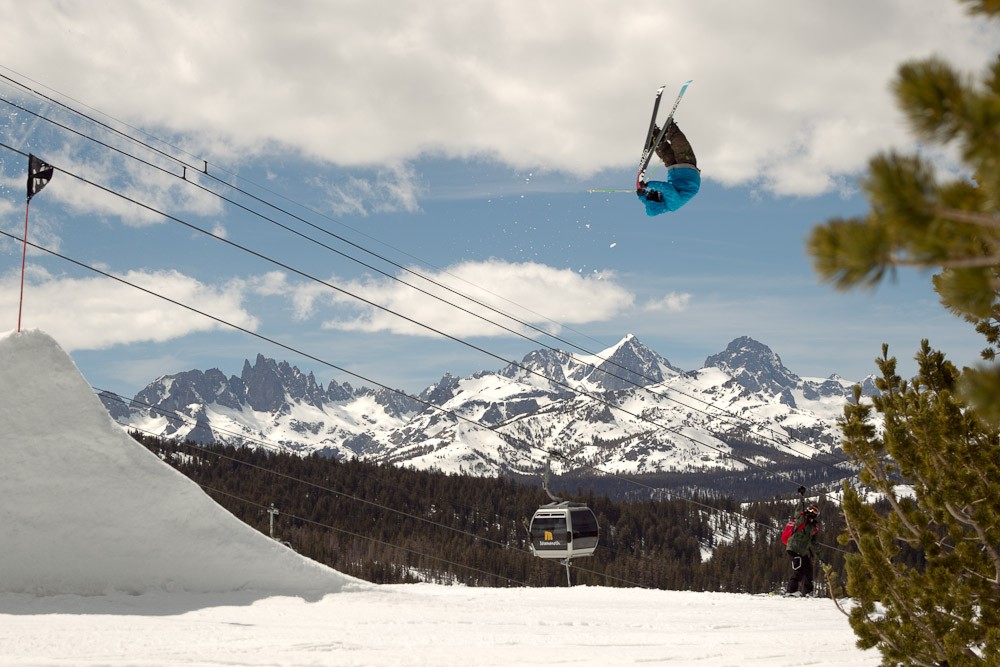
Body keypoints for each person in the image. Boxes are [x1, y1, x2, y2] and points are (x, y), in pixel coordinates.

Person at [636, 119, 701, 216]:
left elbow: (648, 201)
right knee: (681, 148)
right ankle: (672, 130)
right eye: (655, 196)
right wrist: (647, 185)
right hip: (688, 174)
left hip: (674, 172)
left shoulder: (659, 202)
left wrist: (642, 195)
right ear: (658, 202)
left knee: (666, 153)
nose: (656, 193)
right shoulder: (672, 204)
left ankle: (657, 140)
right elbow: (667, 188)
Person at [785, 503, 821, 596]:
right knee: (799, 569)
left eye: (814, 511)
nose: (812, 512)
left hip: (803, 551)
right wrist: (802, 498)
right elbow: (797, 512)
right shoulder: (801, 519)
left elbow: (814, 542)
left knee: (809, 570)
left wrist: (820, 555)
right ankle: (791, 591)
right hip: (793, 548)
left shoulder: (814, 526)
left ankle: (808, 592)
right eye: (810, 509)